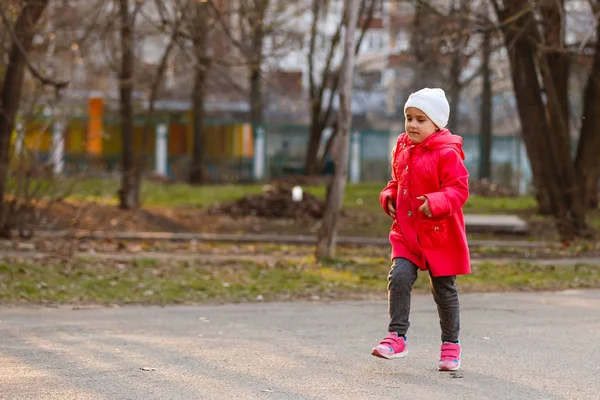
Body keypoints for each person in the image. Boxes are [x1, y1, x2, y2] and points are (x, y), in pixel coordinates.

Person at [371, 88, 470, 372]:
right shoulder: (401, 148)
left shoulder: (448, 153)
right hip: (408, 231)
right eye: (409, 117)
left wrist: (437, 201)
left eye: (420, 119)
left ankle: (451, 345)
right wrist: (388, 195)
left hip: (440, 233)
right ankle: (396, 336)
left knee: (444, 289)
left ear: (436, 123)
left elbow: (459, 190)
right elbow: (396, 181)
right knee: (399, 276)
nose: (412, 125)